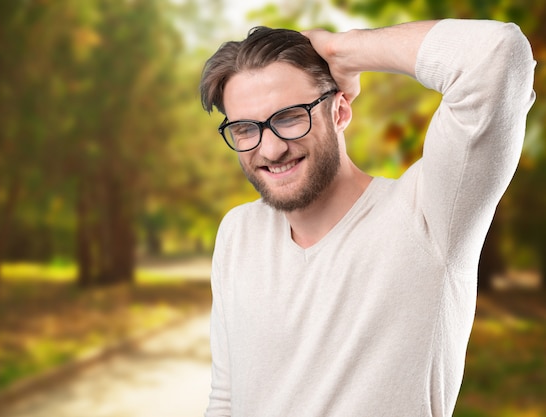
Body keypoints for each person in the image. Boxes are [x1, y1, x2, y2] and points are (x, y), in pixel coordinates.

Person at [199, 18, 535, 417]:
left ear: (340, 110)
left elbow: (497, 55)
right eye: (245, 128)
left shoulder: (430, 215)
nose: (270, 150)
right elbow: (226, 397)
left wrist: (346, 50)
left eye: (289, 117)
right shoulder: (238, 232)